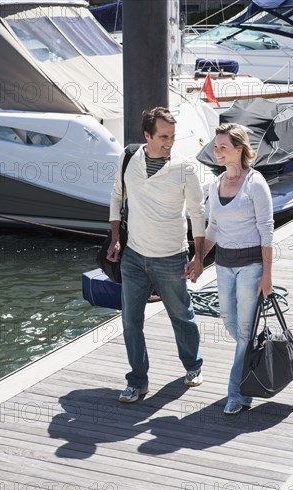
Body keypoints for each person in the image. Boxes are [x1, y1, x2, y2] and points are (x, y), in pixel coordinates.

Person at [107, 106, 206, 403]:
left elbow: (197, 213)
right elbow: (116, 196)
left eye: (173, 136)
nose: (169, 142)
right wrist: (115, 239)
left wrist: (198, 257)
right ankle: (137, 381)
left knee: (181, 315)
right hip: (134, 256)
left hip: (171, 256)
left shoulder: (184, 167)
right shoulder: (128, 159)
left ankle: (193, 366)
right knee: (130, 321)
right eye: (163, 136)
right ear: (147, 135)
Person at [187, 123, 274, 415]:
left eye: (223, 147)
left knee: (245, 330)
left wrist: (268, 275)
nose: (217, 151)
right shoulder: (215, 184)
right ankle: (251, 365)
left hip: (251, 267)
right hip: (223, 266)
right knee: (231, 324)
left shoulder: (255, 183)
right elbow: (212, 227)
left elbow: (267, 231)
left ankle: (236, 393)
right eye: (216, 147)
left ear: (239, 149)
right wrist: (198, 258)